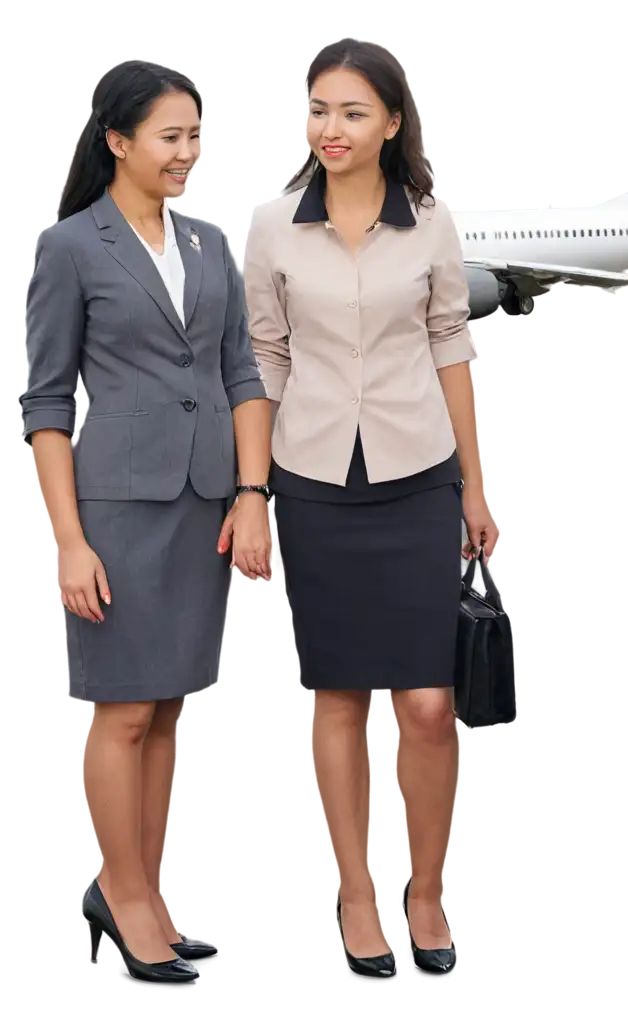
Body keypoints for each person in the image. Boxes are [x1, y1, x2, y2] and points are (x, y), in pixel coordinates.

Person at [243, 39, 497, 980]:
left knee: (428, 704)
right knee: (339, 697)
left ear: (391, 123)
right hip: (309, 475)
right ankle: (356, 891)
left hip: (418, 468)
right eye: (317, 109)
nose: (331, 129)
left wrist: (477, 481)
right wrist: (253, 490)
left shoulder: (430, 221)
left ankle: (422, 891)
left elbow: (452, 341)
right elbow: (262, 358)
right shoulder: (270, 226)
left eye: (352, 112)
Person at [21, 59, 273, 984]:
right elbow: (45, 404)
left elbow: (242, 374)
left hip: (203, 502)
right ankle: (122, 900)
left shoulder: (212, 246)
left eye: (197, 136)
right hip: (117, 513)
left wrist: (254, 493)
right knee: (121, 713)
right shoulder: (70, 247)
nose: (189, 153)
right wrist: (68, 540)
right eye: (171, 136)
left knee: (165, 710)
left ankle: (144, 890)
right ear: (117, 142)